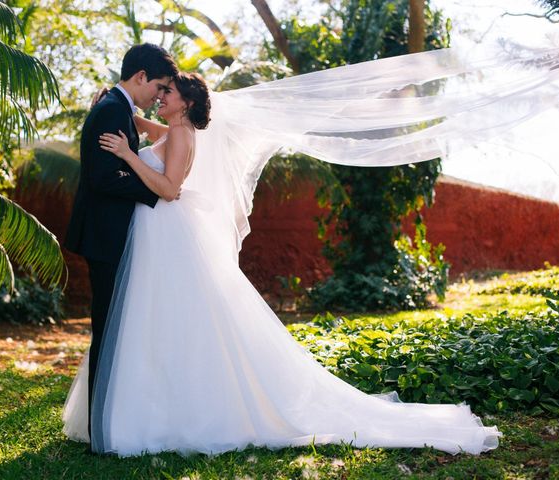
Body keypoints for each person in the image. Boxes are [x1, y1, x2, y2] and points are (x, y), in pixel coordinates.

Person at [62, 69, 501, 457]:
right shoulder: (175, 129)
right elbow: (153, 128)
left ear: (187, 103)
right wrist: (120, 108)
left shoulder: (179, 135)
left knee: (173, 319)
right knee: (163, 319)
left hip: (167, 229)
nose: (162, 96)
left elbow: (170, 188)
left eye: (169, 92)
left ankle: (164, 409)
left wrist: (126, 156)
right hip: (162, 235)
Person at [63, 43, 178, 447]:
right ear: (141, 77)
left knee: (113, 329)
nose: (160, 96)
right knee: (107, 329)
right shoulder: (112, 109)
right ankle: (100, 427)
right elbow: (102, 178)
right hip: (105, 236)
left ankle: (108, 419)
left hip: (109, 233)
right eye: (159, 86)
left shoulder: (118, 107)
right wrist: (156, 190)